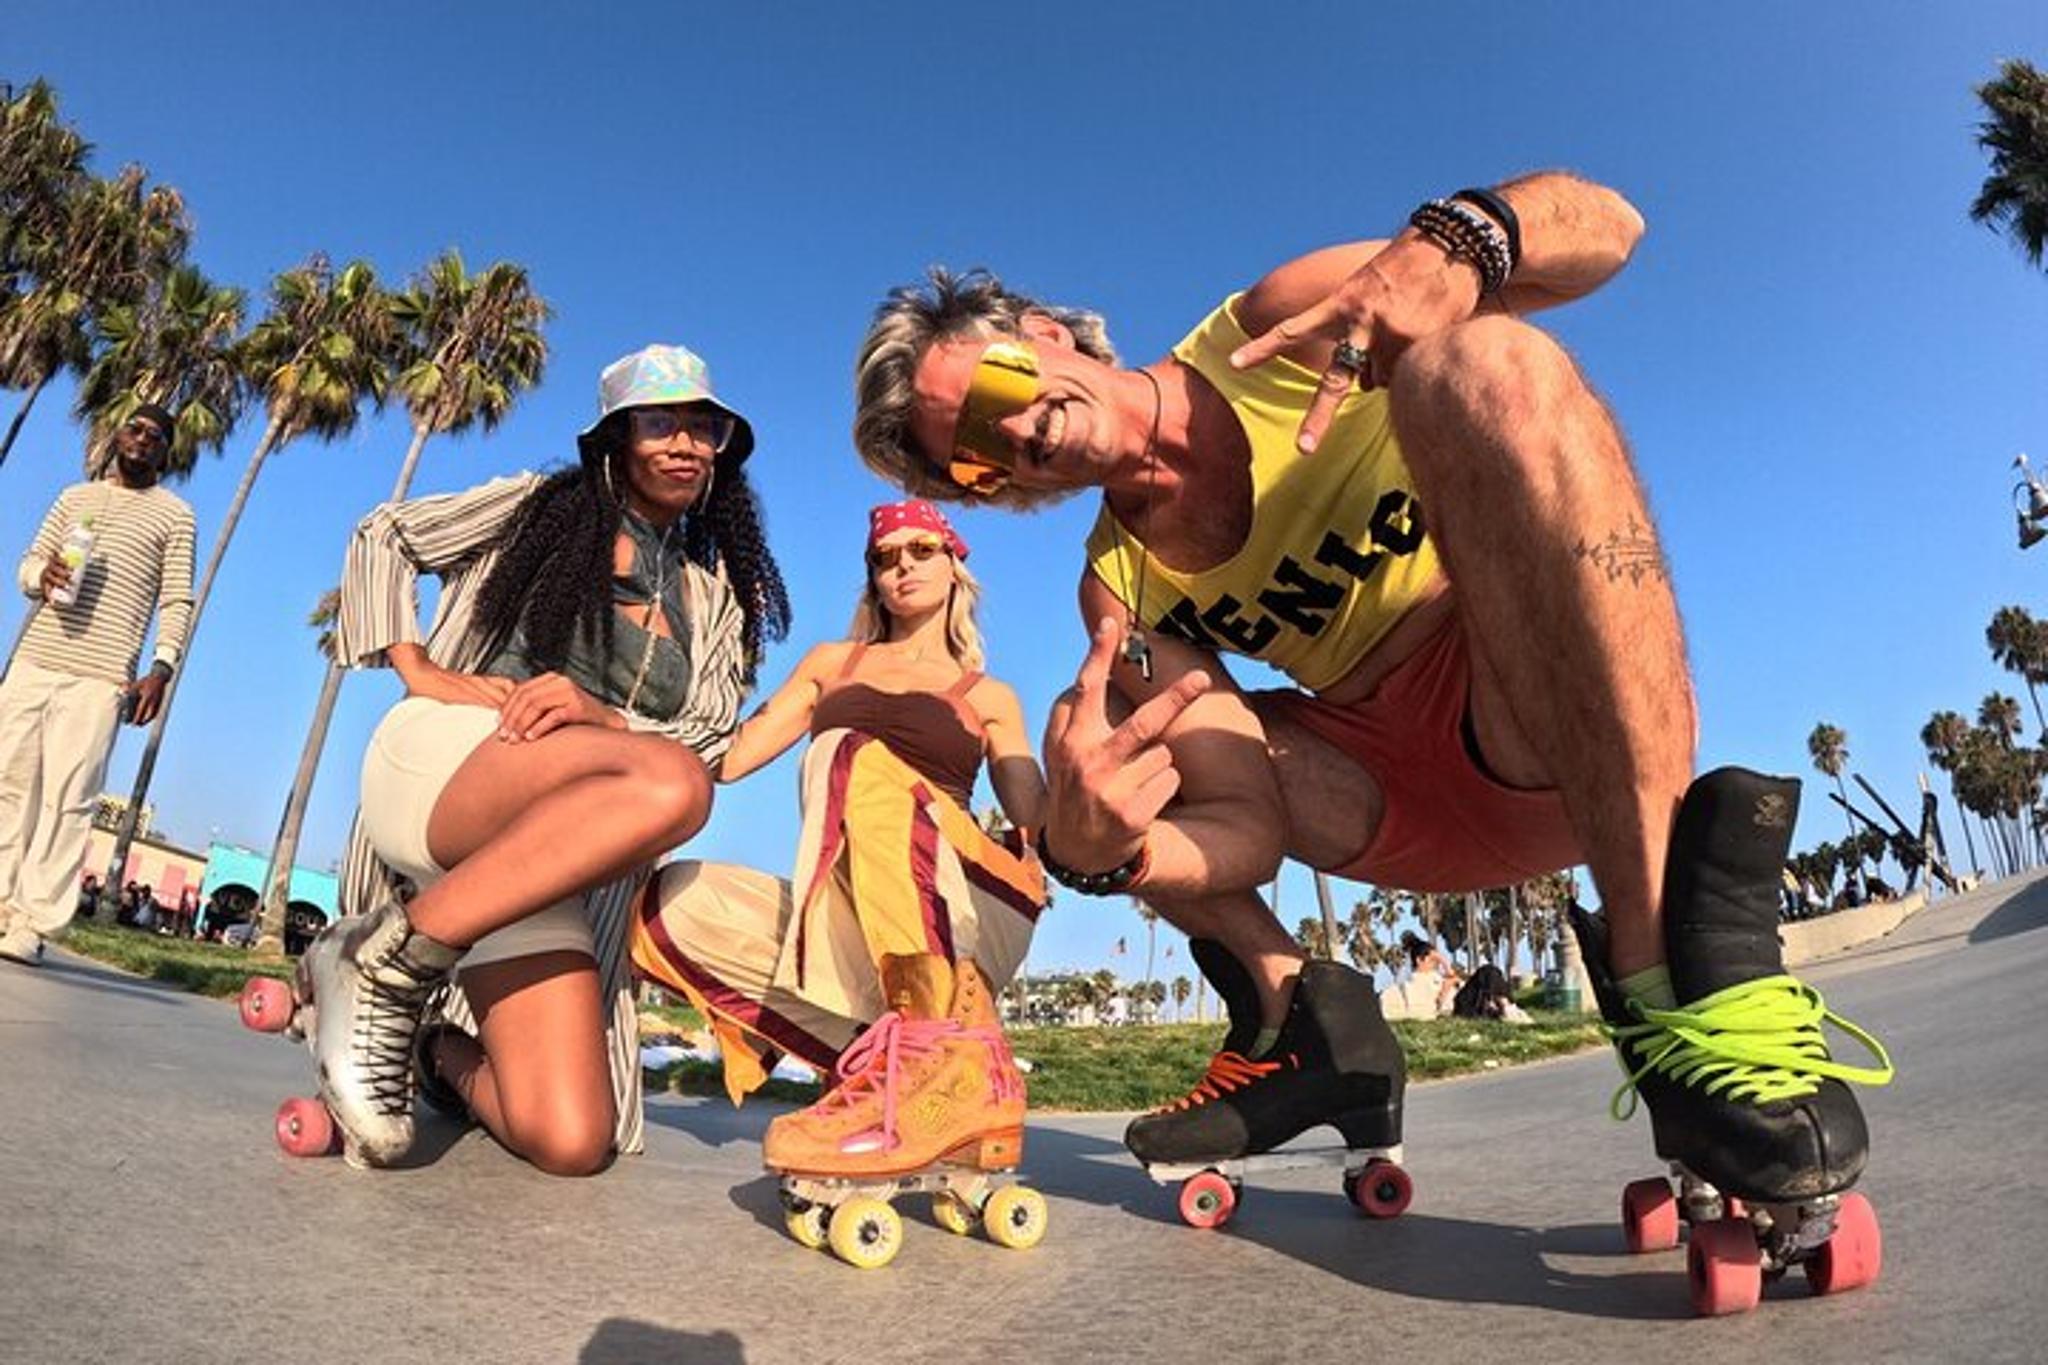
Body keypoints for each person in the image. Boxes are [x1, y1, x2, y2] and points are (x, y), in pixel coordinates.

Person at [851, 172, 1890, 1210]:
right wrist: (1102, 854)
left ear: (1044, 334)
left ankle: (1664, 976)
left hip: (1546, 721)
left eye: (992, 397)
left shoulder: (1279, 328)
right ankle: (1306, 1022)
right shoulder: (1117, 589)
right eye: (975, 463)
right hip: (1391, 807)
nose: (1014, 439)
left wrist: (1462, 239)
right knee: (1107, 731)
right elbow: (1242, 831)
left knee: (1477, 359)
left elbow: (1611, 228)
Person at [311, 343, 789, 1173]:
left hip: (543, 861)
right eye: (659, 421)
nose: (684, 442)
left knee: (571, 1140)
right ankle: (386, 967)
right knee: (668, 781)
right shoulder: (537, 507)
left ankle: (432, 1050)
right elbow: (385, 533)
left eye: (704, 426)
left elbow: (710, 733)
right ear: (614, 437)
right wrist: (418, 669)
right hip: (452, 769)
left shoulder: (714, 601)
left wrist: (600, 713)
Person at [633, 498, 1049, 1183]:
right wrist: (716, 655)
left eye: (920, 551)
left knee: (851, 751)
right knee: (668, 904)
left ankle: (937, 1043)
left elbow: (1036, 821)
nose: (901, 567)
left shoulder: (990, 695)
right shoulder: (831, 663)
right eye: (885, 558)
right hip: (861, 916)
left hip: (968, 911)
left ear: (955, 566)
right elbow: (728, 759)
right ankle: (884, 1066)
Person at [1, 403, 193, 966]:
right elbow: (28, 563)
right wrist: (44, 575)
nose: (143, 438)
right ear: (116, 434)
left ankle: (31, 925)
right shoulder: (73, 497)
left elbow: (176, 597)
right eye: (134, 427)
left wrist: (161, 669)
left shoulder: (174, 515)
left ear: (166, 453)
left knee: (69, 800)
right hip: (35, 661)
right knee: (9, 787)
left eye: (157, 436)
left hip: (102, 675)